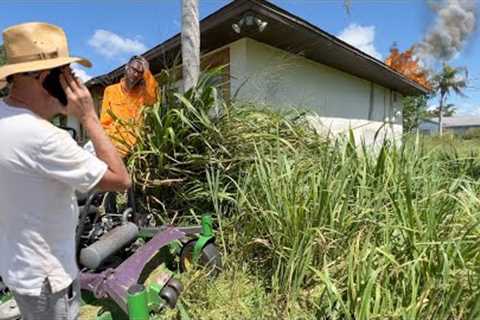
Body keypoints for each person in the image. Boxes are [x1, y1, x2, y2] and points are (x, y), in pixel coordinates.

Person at [0, 22, 130, 320]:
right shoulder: (43, 137)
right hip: (49, 278)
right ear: (46, 79)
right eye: (67, 76)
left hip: (18, 266)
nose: (75, 84)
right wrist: (90, 117)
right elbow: (121, 180)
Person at [100, 55, 158, 157]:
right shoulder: (110, 90)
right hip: (115, 145)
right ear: (127, 67)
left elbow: (154, 98)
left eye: (140, 73)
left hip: (138, 148)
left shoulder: (143, 93)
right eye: (134, 69)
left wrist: (147, 72)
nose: (136, 74)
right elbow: (105, 122)